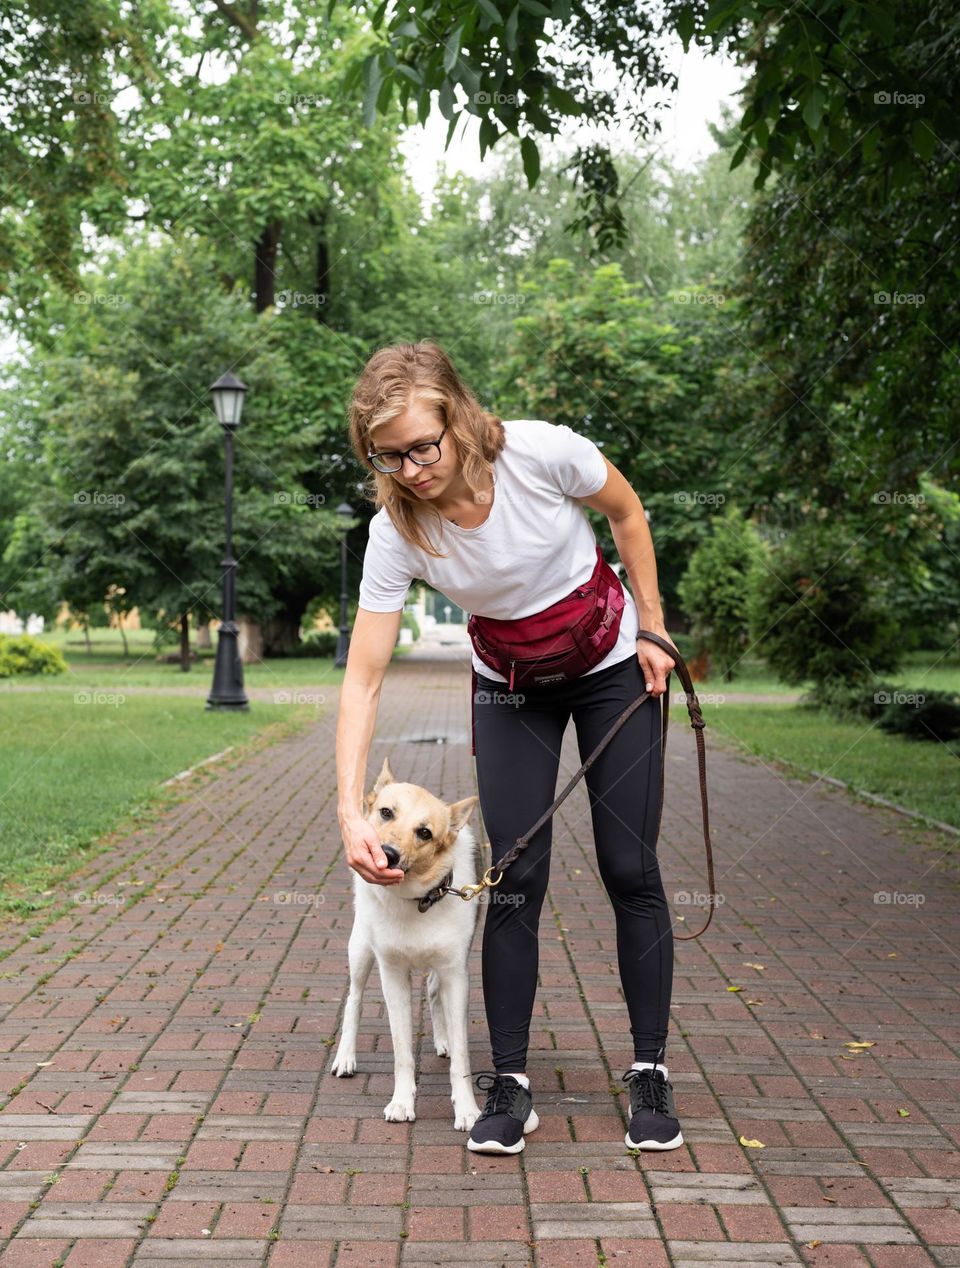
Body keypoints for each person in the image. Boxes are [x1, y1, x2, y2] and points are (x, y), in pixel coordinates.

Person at [336, 340, 682, 1157]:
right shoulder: (399, 531)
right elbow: (362, 680)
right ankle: (512, 1083)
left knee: (629, 867)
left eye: (424, 445)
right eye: (390, 456)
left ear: (457, 418)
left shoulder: (540, 452)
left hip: (609, 667)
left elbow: (627, 513)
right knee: (514, 874)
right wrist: (350, 812)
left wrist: (655, 625)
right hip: (510, 683)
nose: (412, 468)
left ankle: (649, 1070)